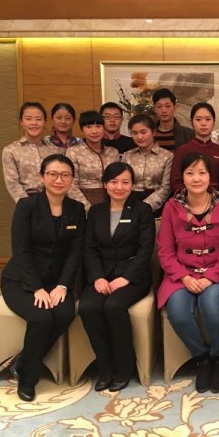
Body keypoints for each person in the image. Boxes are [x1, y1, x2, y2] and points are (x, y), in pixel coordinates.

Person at [1, 154, 85, 402]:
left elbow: (75, 252)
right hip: (21, 279)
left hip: (57, 281)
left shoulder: (76, 209)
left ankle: (22, 362)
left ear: (71, 179)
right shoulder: (26, 207)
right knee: (41, 317)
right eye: (53, 174)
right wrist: (36, 288)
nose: (59, 180)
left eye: (65, 175)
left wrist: (63, 285)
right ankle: (28, 378)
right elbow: (21, 251)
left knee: (65, 313)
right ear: (42, 177)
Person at [157, 153, 219, 393]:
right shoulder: (172, 207)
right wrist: (184, 276)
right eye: (190, 173)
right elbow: (165, 251)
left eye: (202, 173)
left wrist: (210, 277)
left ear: (210, 177)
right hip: (181, 274)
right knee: (178, 312)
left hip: (218, 273)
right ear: (182, 177)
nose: (196, 178)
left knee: (210, 304)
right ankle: (202, 358)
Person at [79, 162, 155, 392]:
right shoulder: (96, 211)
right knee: (88, 307)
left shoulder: (142, 210)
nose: (119, 187)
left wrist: (126, 278)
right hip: (102, 275)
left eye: (125, 182)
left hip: (134, 276)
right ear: (105, 184)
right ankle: (105, 367)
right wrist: (97, 278)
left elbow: (145, 250)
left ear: (132, 185)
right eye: (113, 181)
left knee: (113, 307)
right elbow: (89, 249)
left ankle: (124, 368)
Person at [2, 102, 62, 202]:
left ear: (44, 121)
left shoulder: (55, 149)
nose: (34, 123)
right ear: (21, 121)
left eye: (38, 119)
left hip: (55, 199)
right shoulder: (11, 150)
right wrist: (28, 205)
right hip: (27, 201)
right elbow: (12, 183)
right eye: (28, 118)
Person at [121, 113, 173, 215]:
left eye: (143, 132)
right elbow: (122, 182)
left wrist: (144, 206)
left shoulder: (167, 156)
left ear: (153, 132)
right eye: (135, 133)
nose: (139, 137)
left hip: (158, 206)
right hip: (130, 204)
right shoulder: (127, 156)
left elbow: (166, 187)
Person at [67, 111, 120, 210]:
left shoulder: (113, 152)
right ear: (82, 129)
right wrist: (88, 208)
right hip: (83, 204)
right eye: (89, 127)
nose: (94, 131)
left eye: (98, 126)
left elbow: (119, 181)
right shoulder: (73, 152)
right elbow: (71, 185)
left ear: (104, 128)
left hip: (112, 203)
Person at [170, 103, 219, 193]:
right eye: (198, 119)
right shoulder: (182, 150)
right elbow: (176, 182)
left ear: (214, 121)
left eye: (208, 119)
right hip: (189, 198)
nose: (203, 123)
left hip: (217, 198)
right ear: (191, 122)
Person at [152, 87, 194, 152]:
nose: (164, 110)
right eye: (159, 106)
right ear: (155, 109)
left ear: (175, 108)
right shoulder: (150, 134)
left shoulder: (188, 134)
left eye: (167, 106)